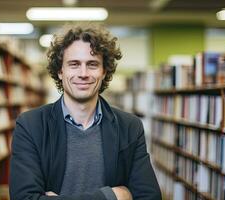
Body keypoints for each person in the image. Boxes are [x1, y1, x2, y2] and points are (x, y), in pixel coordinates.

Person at [9, 23, 161, 200]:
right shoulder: (31, 125)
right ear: (60, 70)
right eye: (74, 64)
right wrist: (110, 196)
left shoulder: (129, 127)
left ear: (104, 71)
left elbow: (149, 196)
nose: (83, 73)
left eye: (92, 64)